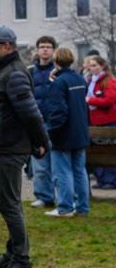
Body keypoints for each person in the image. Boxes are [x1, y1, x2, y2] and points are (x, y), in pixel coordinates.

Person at [0, 25, 50, 268]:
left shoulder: (14, 74)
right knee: (8, 203)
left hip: (12, 146)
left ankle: (22, 262)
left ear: (7, 47)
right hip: (6, 144)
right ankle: (12, 253)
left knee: (9, 204)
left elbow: (30, 113)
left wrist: (41, 141)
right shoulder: (4, 70)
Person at [43, 48, 90, 217]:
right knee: (79, 171)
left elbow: (59, 111)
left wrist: (51, 132)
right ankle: (82, 207)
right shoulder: (79, 79)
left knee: (63, 172)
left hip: (63, 134)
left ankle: (65, 207)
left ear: (56, 62)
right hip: (80, 131)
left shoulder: (59, 83)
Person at [29, 36, 57, 208]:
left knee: (57, 163)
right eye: (42, 47)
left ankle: (62, 196)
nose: (45, 50)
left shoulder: (59, 71)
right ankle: (43, 196)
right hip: (37, 122)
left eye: (48, 47)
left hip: (54, 122)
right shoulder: (31, 72)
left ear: (53, 50)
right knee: (39, 163)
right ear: (37, 50)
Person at [86, 55, 116, 188]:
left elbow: (109, 100)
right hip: (95, 122)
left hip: (108, 121)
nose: (92, 68)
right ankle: (101, 179)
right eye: (90, 66)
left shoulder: (110, 81)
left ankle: (110, 180)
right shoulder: (92, 80)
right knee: (97, 151)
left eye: (95, 66)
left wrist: (90, 101)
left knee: (108, 152)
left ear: (102, 66)